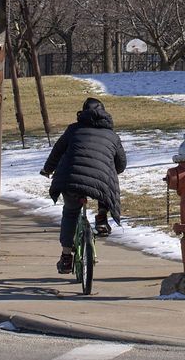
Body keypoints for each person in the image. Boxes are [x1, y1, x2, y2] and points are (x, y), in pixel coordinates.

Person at [41, 96, 127, 275]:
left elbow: (57, 151)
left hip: (71, 178)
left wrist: (47, 169)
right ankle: (102, 218)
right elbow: (121, 164)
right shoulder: (112, 135)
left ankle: (66, 256)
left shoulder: (73, 130)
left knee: (71, 212)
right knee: (104, 185)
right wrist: (111, 170)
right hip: (100, 180)